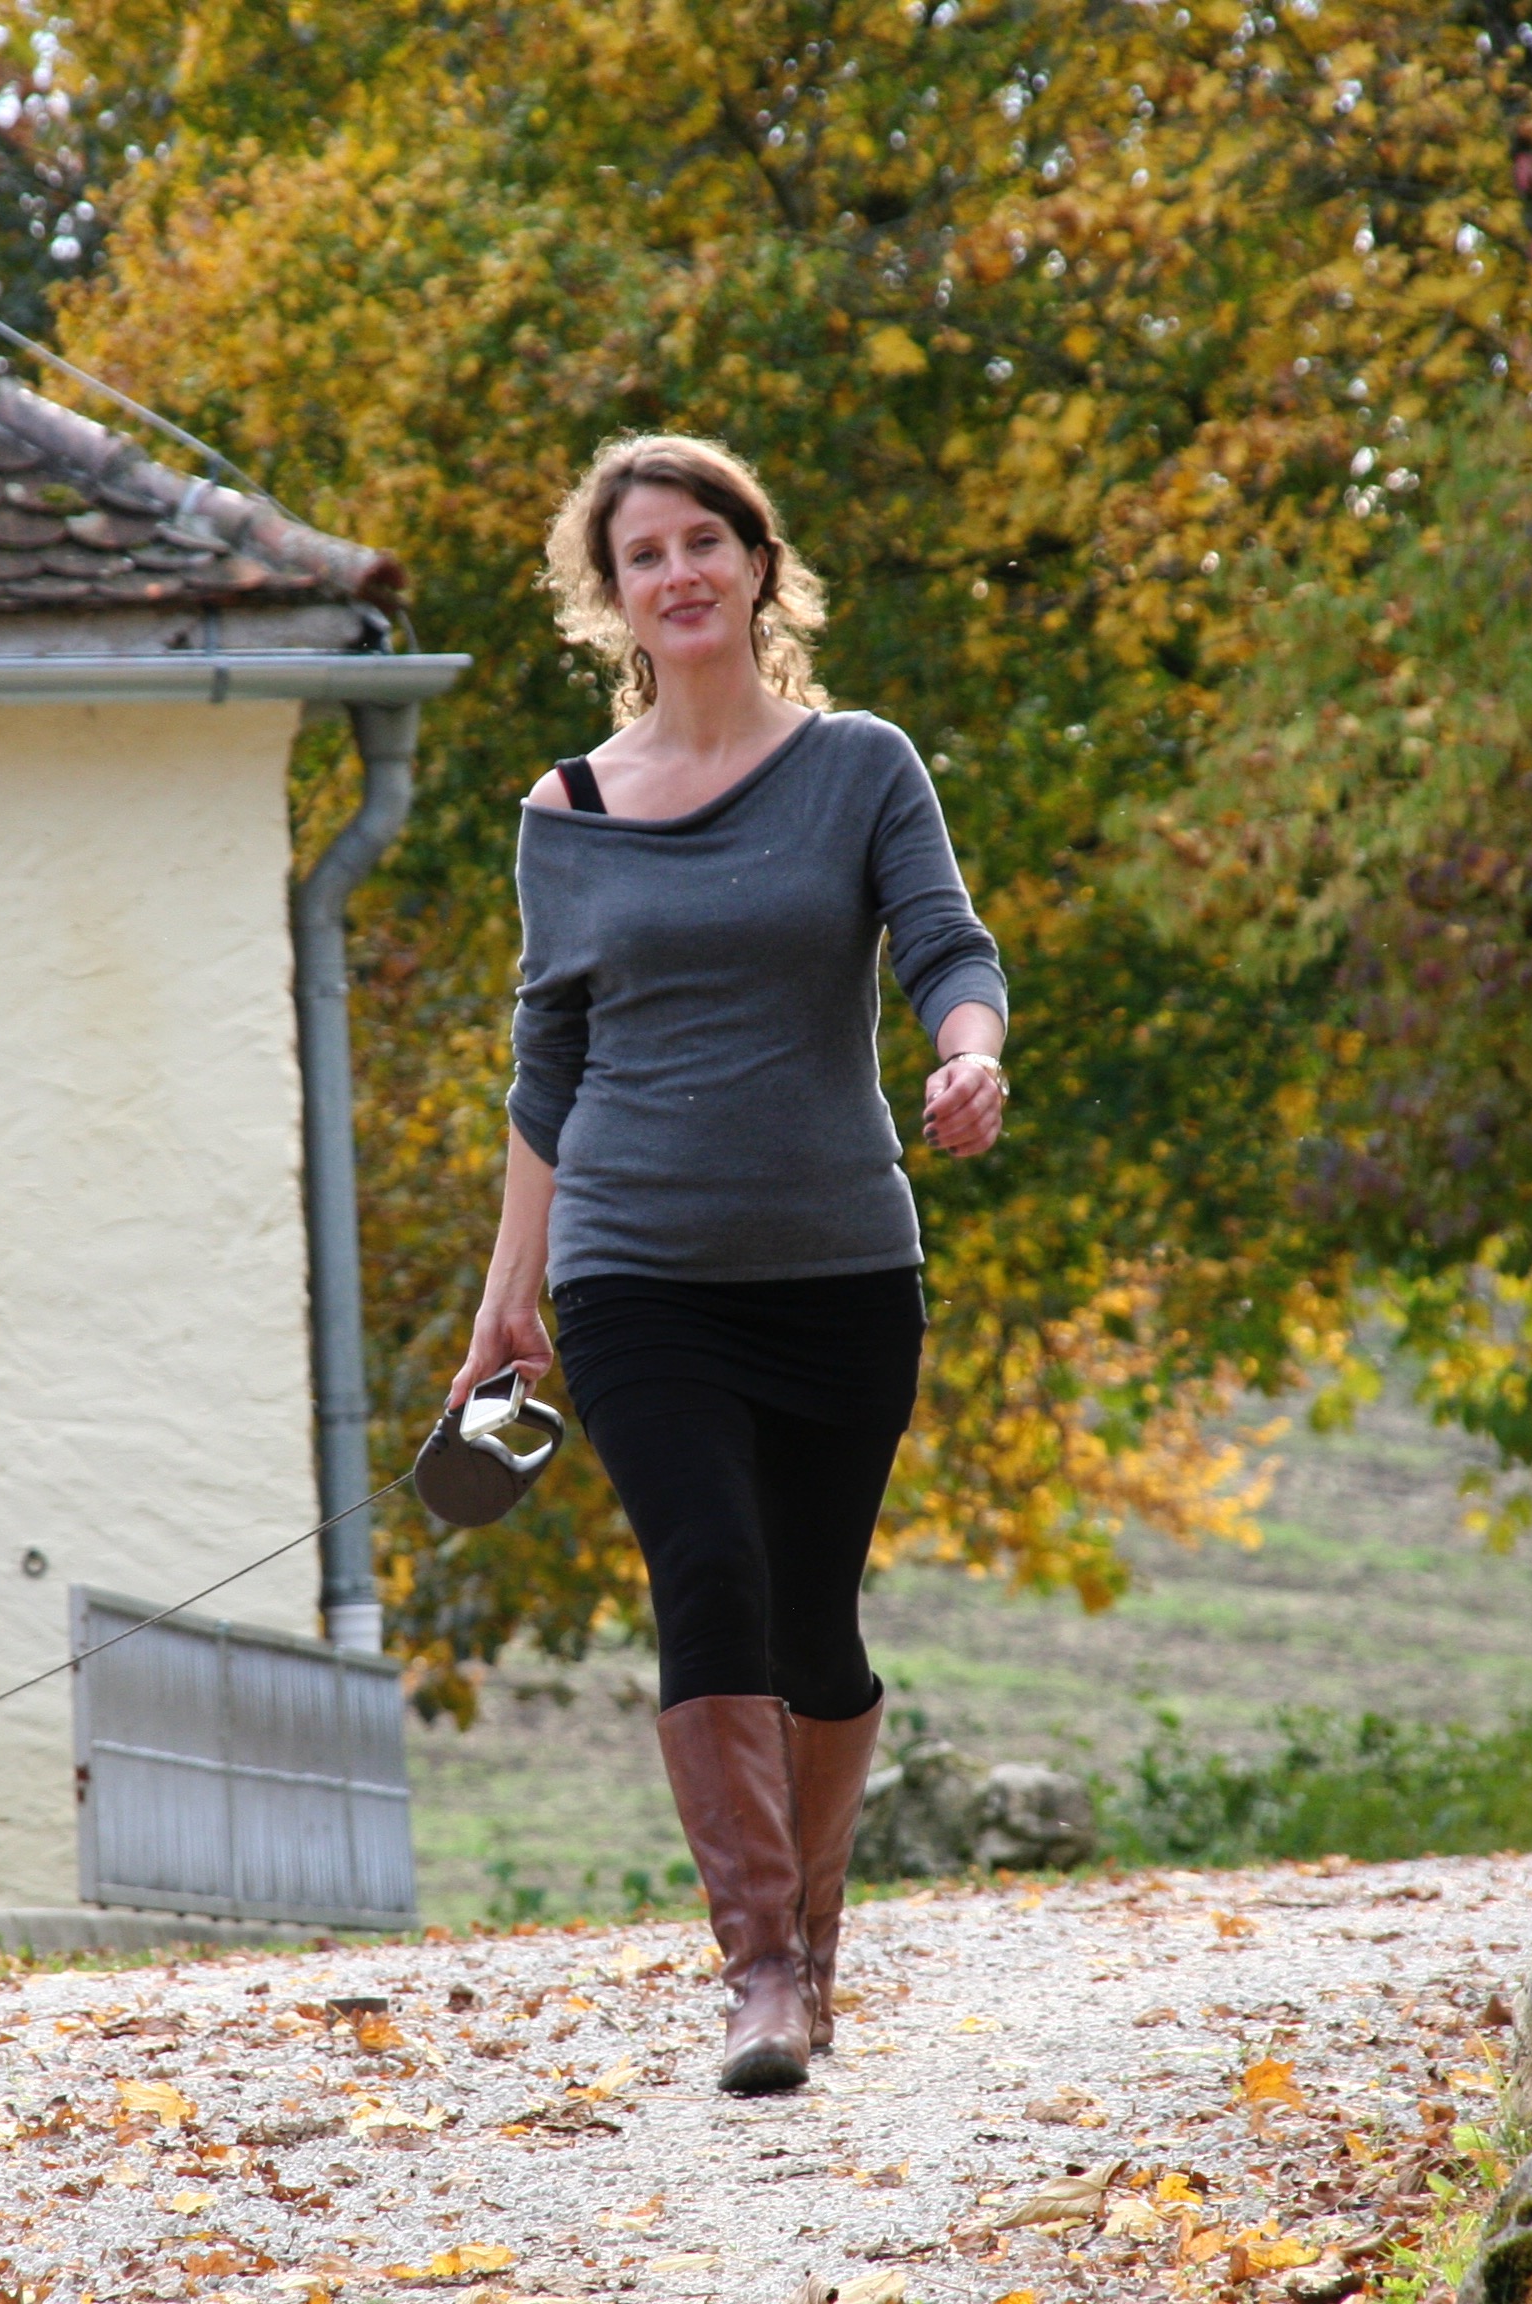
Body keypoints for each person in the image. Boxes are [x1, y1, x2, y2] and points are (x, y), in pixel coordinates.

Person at [448, 433, 1008, 2095]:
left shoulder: (862, 767)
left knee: (815, 1631)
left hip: (838, 1261)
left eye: (707, 541)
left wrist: (970, 1054)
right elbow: (547, 1062)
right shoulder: (567, 811)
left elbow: (947, 944)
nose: (680, 572)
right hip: (636, 1268)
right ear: (610, 598)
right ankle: (760, 1974)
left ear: (759, 567)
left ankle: (814, 1956)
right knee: (708, 1579)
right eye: (644, 554)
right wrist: (509, 1290)